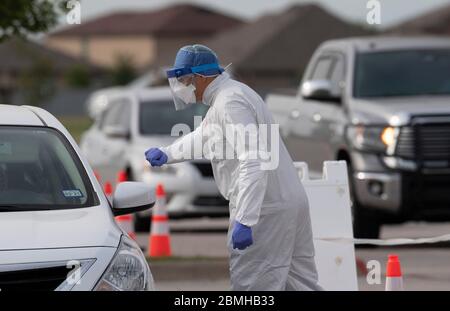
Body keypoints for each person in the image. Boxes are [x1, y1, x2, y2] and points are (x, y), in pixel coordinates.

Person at [145, 44, 322, 291]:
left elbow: (254, 158)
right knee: (301, 286)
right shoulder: (231, 96)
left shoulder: (230, 103)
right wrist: (167, 153)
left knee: (252, 288)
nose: (183, 86)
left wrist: (246, 219)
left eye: (185, 78)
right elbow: (205, 136)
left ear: (201, 76)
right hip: (288, 202)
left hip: (265, 210)